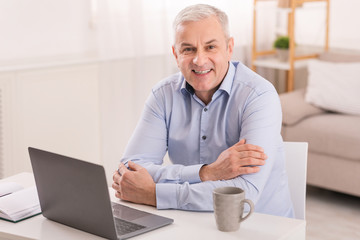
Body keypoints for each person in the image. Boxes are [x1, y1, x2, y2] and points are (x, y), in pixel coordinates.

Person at [112, 4, 294, 218]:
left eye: (210, 47)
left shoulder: (259, 96)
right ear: (175, 53)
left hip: (261, 226)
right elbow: (130, 171)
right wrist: (207, 172)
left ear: (229, 48)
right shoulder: (163, 95)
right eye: (188, 49)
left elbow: (244, 197)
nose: (199, 60)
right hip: (190, 221)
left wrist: (154, 194)